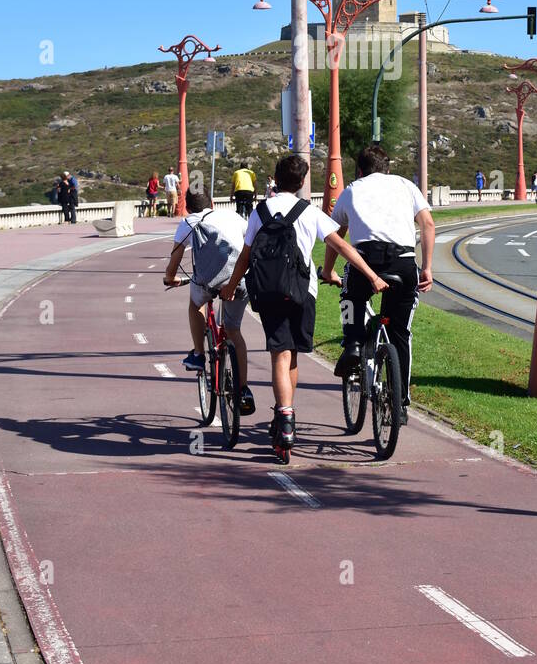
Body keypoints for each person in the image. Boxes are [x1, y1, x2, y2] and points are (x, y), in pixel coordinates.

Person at [221, 153, 387, 456]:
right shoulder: (309, 212)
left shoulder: (260, 211)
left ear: (276, 179)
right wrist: (372, 276)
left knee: (280, 356)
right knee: (293, 354)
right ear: (300, 183)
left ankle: (285, 418)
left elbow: (245, 257)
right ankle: (286, 414)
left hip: (269, 292)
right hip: (302, 292)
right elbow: (342, 246)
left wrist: (231, 287)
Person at [321, 143, 435, 425]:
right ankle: (401, 403)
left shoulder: (352, 190)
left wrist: (327, 271)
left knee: (351, 292)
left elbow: (334, 234)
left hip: (365, 261)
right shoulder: (407, 186)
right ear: (388, 168)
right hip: (404, 263)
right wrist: (428, 268)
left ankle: (353, 344)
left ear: (360, 170)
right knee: (400, 334)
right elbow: (428, 225)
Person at [163, 189, 255, 414]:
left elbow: (175, 259)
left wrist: (170, 278)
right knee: (234, 331)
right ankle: (243, 389)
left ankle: (198, 354)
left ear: (187, 208)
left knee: (195, 304)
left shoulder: (189, 221)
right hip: (238, 280)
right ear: (212, 203)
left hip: (207, 281)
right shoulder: (234, 216)